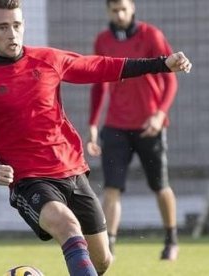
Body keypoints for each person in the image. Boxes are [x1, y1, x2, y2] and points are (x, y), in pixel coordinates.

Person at [0, 0, 191, 275]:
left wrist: (162, 63)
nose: (11, 33)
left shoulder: (48, 60)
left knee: (101, 261)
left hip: (72, 171)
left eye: (17, 25)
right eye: (3, 27)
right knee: (67, 225)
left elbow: (100, 67)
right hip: (29, 180)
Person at [87, 0, 180, 261]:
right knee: (112, 189)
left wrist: (160, 114)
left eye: (123, 9)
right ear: (108, 11)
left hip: (149, 125)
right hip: (115, 126)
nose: (119, 14)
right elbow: (99, 83)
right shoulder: (103, 40)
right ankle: (110, 247)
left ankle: (171, 240)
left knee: (160, 185)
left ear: (133, 8)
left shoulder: (152, 35)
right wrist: (93, 123)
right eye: (114, 10)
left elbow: (170, 79)